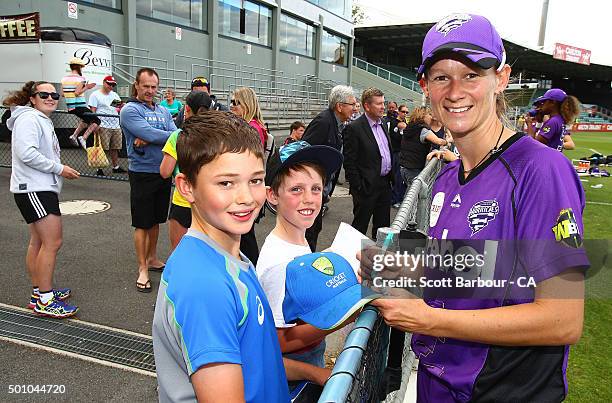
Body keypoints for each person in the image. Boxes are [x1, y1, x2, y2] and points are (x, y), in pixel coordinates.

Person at [361, 14, 588, 402]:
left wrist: (432, 320)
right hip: (437, 386)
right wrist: (386, 265)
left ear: (501, 78)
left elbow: (563, 319)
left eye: (471, 74)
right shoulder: (448, 177)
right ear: (424, 87)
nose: (455, 91)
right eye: (441, 77)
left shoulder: (541, 170)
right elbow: (478, 269)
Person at [152, 111, 289, 402]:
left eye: (255, 180)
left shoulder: (227, 256)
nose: (246, 197)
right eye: (226, 183)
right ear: (187, 187)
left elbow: (255, 358)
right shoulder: (205, 284)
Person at [257, 140, 344, 387]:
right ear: (272, 195)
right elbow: (276, 343)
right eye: (296, 189)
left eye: (316, 189)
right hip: (292, 379)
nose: (309, 199)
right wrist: (341, 318)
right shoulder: (278, 263)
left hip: (309, 362)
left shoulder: (297, 241)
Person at [4, 81, 80, 318]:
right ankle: (45, 300)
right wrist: (59, 169)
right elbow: (26, 153)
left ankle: (39, 293)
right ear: (32, 98)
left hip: (36, 188)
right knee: (52, 242)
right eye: (44, 94)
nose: (50, 97)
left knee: (38, 242)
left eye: (54, 94)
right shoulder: (29, 119)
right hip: (35, 189)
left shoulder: (36, 118)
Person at [120, 68, 176, 293]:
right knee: (142, 222)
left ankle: (152, 258)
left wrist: (151, 137)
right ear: (137, 85)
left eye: (154, 87)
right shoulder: (129, 110)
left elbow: (174, 132)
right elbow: (161, 135)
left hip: (162, 172)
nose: (150, 91)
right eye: (146, 86)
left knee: (155, 220)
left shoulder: (163, 110)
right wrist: (154, 136)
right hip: (142, 173)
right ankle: (142, 268)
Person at [302, 85, 358, 250]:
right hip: (311, 193)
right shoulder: (323, 122)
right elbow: (305, 154)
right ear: (339, 106)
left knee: (314, 231)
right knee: (309, 234)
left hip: (319, 192)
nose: (355, 109)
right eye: (352, 104)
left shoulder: (337, 124)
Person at [160, 91, 214, 250]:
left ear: (187, 109)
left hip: (183, 201)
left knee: (180, 253)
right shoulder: (216, 137)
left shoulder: (178, 136)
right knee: (207, 253)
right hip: (208, 203)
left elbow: (165, 171)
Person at [343, 87, 393, 239]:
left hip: (385, 184)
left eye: (383, 103)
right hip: (366, 187)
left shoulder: (383, 123)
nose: (383, 107)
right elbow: (349, 161)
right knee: (359, 227)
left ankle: (379, 260)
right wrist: (358, 186)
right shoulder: (354, 128)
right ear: (367, 106)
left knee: (383, 228)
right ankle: (353, 258)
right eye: (379, 104)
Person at [230, 87, 268, 264]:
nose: (231, 106)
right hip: (247, 184)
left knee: (245, 235)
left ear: (245, 104)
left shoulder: (251, 127)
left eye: (235, 102)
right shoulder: (252, 125)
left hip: (247, 185)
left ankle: (253, 271)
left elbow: (248, 161)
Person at [87, 75, 126, 175]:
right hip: (103, 124)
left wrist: (123, 106)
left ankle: (115, 166)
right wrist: (95, 124)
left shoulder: (114, 95)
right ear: (104, 82)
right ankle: (99, 168)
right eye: (109, 84)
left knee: (115, 147)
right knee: (102, 147)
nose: (111, 86)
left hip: (115, 124)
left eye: (113, 85)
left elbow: (117, 107)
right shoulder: (95, 95)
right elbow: (93, 111)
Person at [399, 107, 446, 190]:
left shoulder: (409, 127)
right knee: (414, 197)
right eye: (429, 115)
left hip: (404, 167)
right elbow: (439, 141)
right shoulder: (422, 129)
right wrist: (447, 141)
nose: (431, 117)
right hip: (414, 168)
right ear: (423, 115)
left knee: (410, 194)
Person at [61, 57, 100, 149]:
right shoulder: (80, 79)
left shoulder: (64, 79)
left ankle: (74, 135)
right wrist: (87, 87)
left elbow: (62, 94)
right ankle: (83, 137)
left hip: (70, 106)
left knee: (86, 120)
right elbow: (77, 92)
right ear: (79, 67)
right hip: (79, 105)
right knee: (97, 121)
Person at [387, 104, 410, 208]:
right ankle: (394, 199)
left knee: (401, 177)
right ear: (399, 112)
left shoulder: (404, 123)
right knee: (396, 177)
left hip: (403, 153)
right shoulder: (393, 122)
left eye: (406, 112)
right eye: (403, 112)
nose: (405, 114)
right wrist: (401, 131)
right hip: (395, 152)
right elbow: (394, 137)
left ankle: (399, 198)